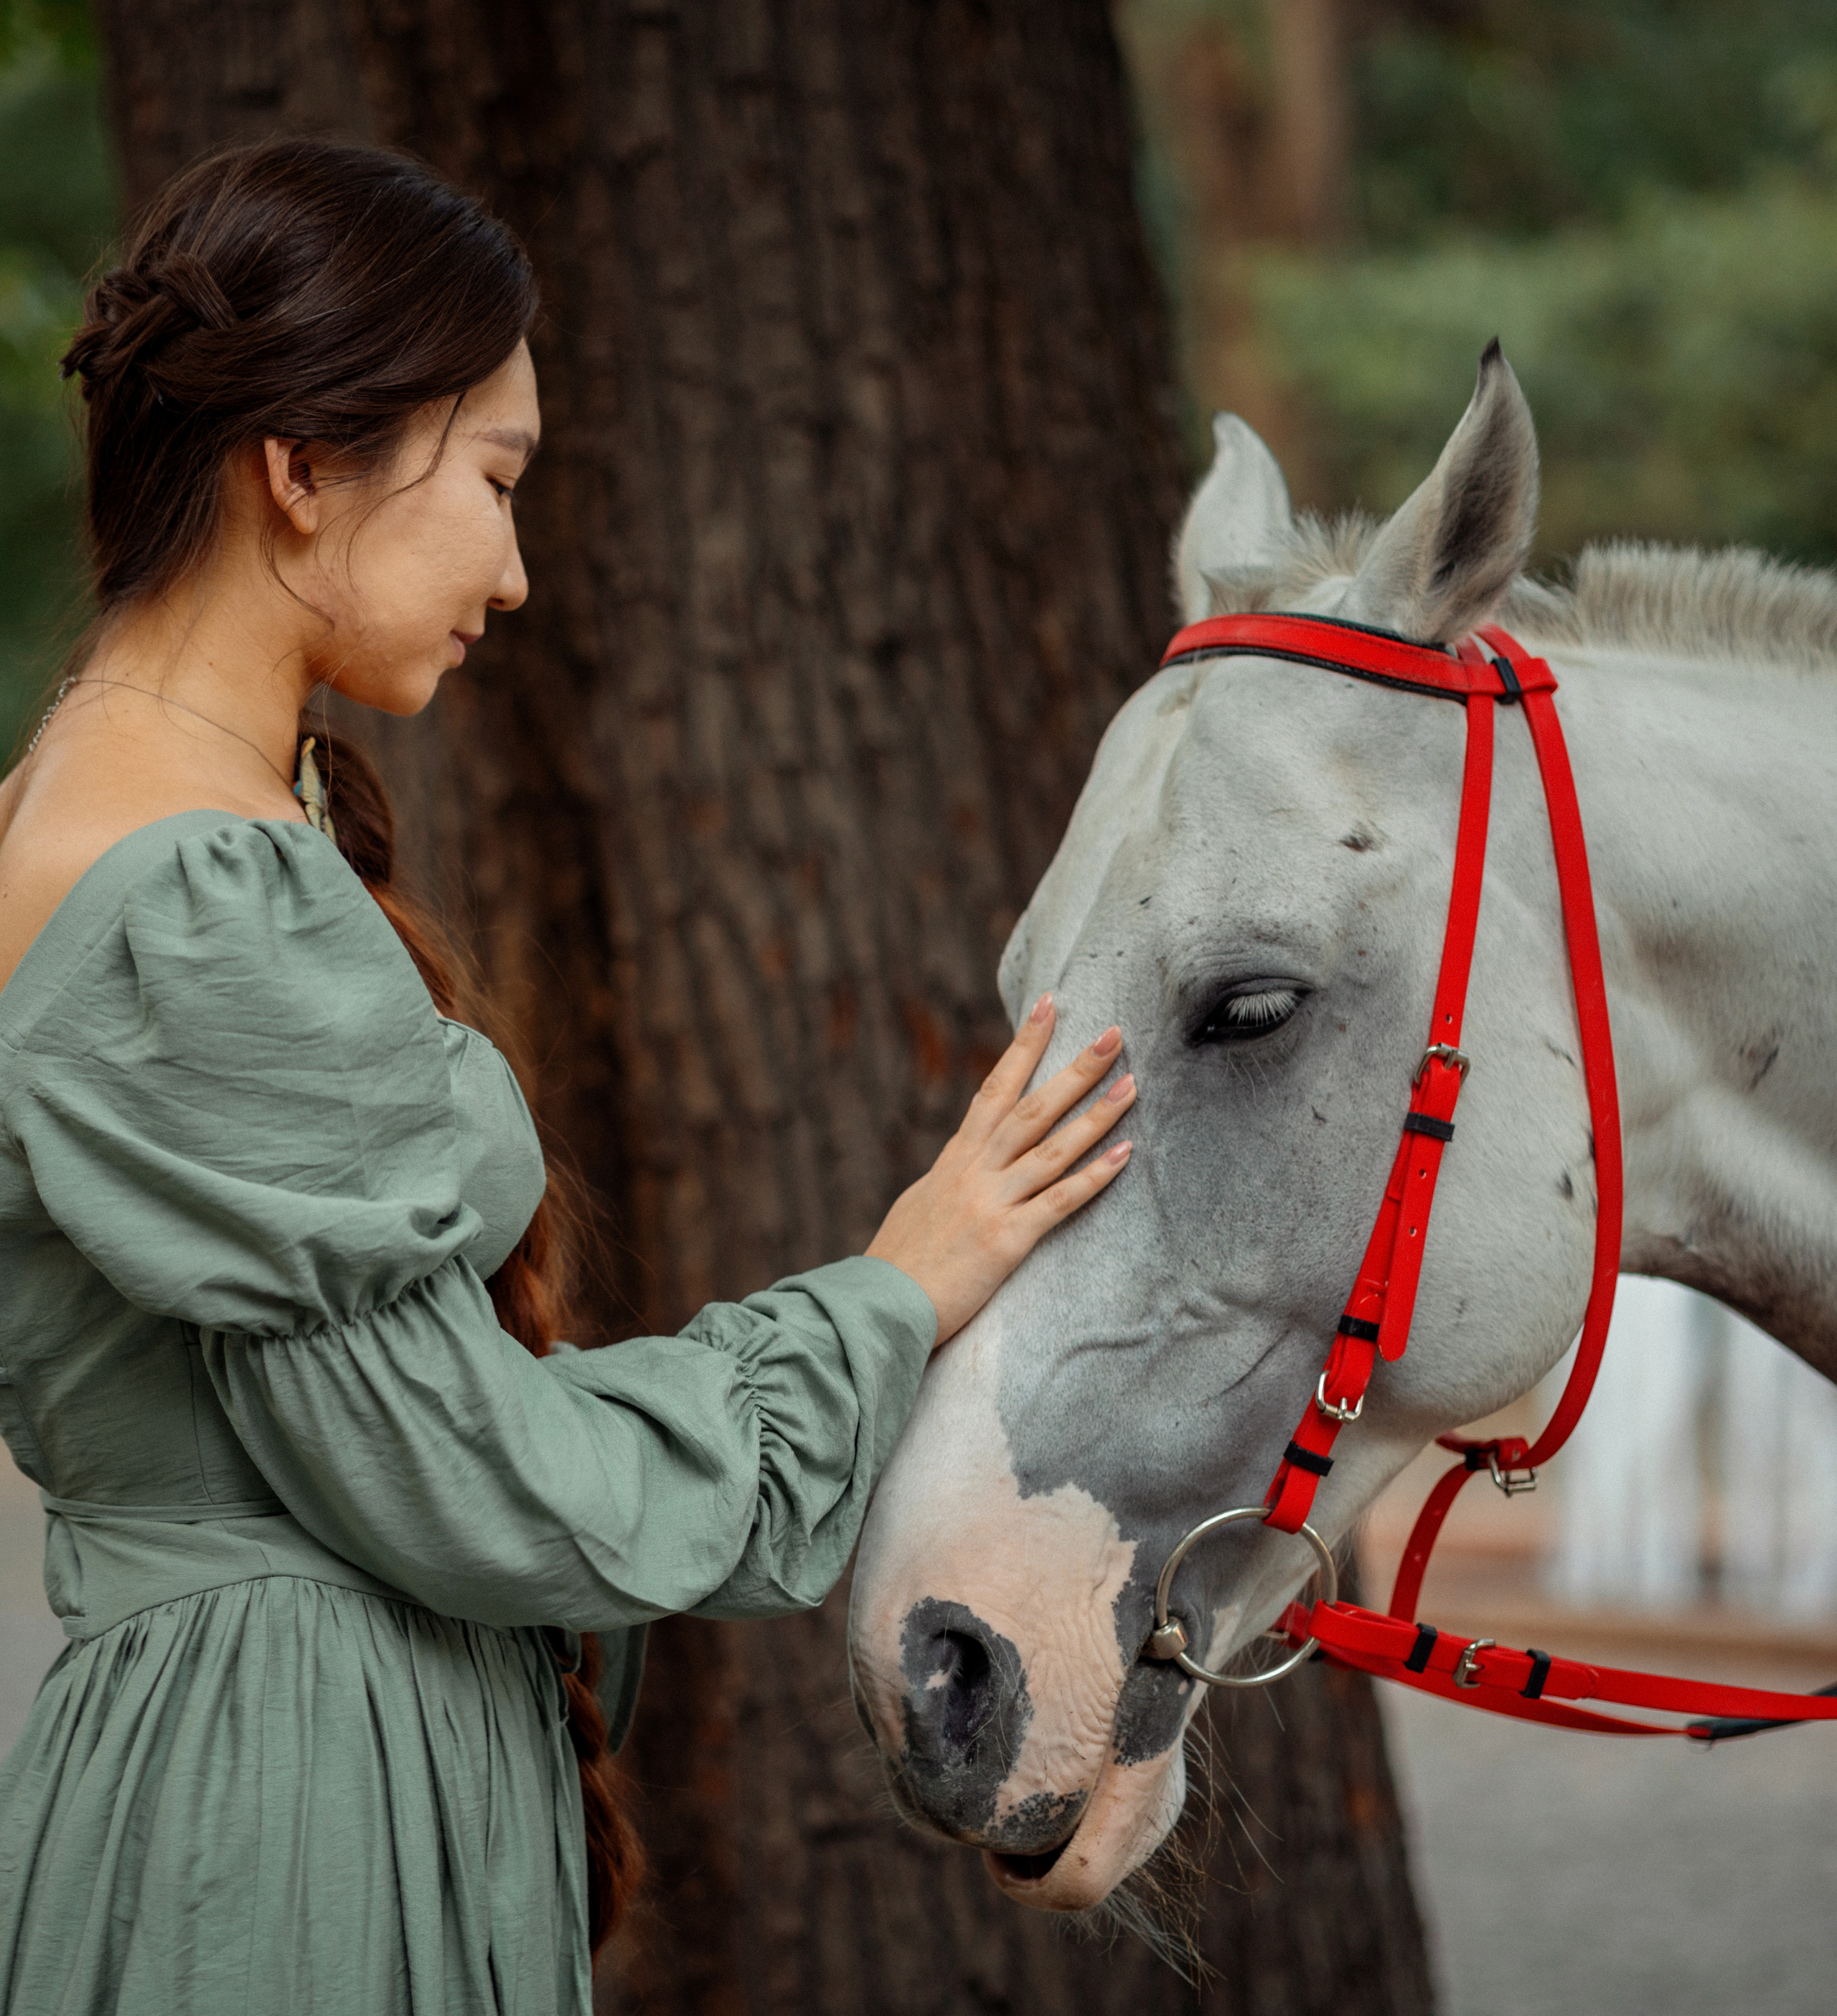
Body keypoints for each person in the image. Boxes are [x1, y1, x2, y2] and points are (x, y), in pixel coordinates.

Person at [0, 140, 1137, 2015]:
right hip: (293, 1816)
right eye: (499, 480)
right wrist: (892, 1293)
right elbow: (487, 1489)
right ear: (299, 468)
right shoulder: (187, 885)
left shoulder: (114, 813)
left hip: (244, 1761)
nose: (517, 572)